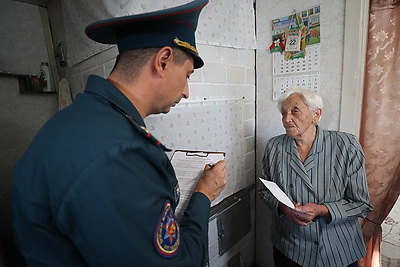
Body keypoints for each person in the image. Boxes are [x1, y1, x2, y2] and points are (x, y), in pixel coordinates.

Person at [12, 0, 227, 266]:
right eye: (187, 75)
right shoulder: (121, 155)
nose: (186, 92)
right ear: (163, 61)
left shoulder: (79, 118)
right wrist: (203, 195)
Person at [258, 89, 373, 267]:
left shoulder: (346, 145)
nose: (286, 119)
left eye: (295, 111)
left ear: (316, 114)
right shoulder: (274, 147)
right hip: (290, 246)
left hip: (338, 248)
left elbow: (361, 203)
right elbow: (264, 190)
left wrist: (321, 210)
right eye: (283, 113)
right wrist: (284, 207)